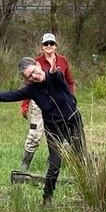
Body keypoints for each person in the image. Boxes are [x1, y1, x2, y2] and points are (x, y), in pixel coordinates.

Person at [0, 57, 85, 206]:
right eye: (29, 76)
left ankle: (87, 191)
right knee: (54, 164)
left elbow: (56, 75)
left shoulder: (55, 77)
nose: (34, 76)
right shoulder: (33, 90)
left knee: (81, 159)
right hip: (53, 128)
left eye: (34, 71)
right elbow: (13, 95)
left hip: (73, 123)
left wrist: (53, 70)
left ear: (38, 65)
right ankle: (47, 197)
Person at [18, 33, 77, 175]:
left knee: (63, 135)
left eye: (51, 43)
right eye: (46, 44)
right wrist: (25, 104)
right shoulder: (36, 62)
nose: (49, 46)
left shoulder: (62, 61)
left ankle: (58, 162)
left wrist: (70, 99)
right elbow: (29, 86)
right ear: (42, 46)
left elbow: (69, 81)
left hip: (60, 104)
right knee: (34, 134)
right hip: (40, 103)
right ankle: (25, 164)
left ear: (55, 46)